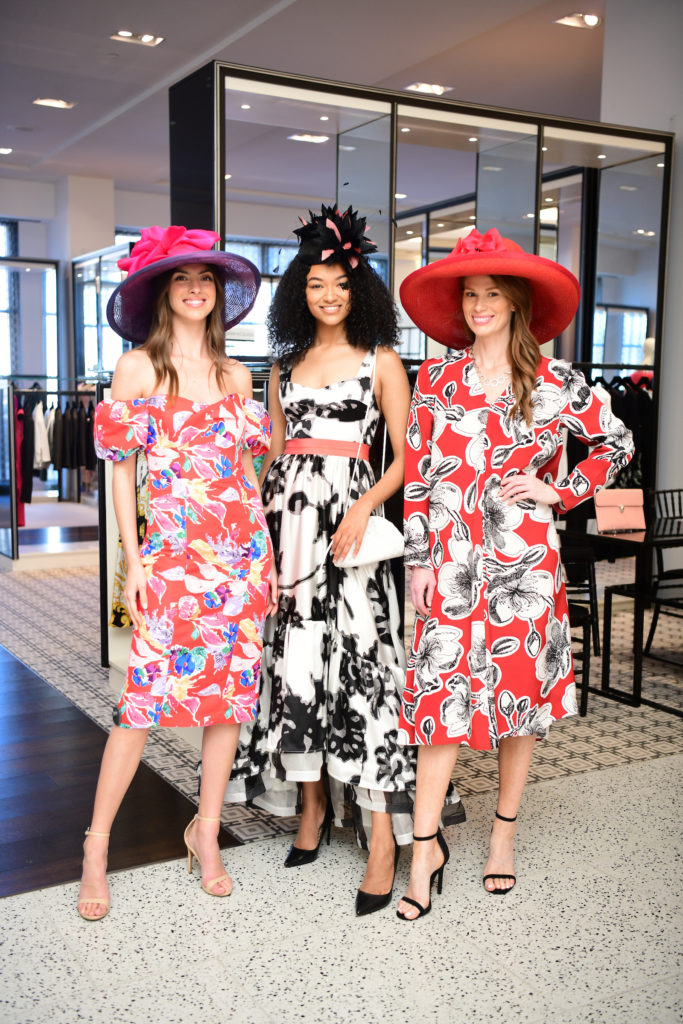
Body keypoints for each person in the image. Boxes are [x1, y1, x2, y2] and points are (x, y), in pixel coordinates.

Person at [227, 205, 463, 916]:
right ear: (298, 291)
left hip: (352, 523)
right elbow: (269, 453)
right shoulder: (281, 366)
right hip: (287, 524)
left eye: (339, 284)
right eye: (314, 284)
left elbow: (407, 457)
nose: (327, 295)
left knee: (363, 670)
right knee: (296, 665)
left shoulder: (382, 361)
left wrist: (363, 507)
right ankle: (310, 810)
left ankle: (385, 839)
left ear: (359, 292)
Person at [395, 227, 634, 920]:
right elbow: (418, 475)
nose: (477, 306)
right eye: (469, 295)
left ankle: (502, 838)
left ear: (516, 304)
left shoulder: (555, 382)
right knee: (437, 710)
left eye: (490, 294)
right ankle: (423, 851)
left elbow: (615, 442)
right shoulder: (435, 378)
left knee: (517, 708)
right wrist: (417, 560)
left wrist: (558, 491)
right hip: (448, 560)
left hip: (524, 562)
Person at [77, 225, 276, 920]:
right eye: (182, 279)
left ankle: (206, 830)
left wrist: (264, 559)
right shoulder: (137, 368)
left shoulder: (235, 375)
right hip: (170, 559)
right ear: (164, 292)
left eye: (207, 279)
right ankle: (95, 846)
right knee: (140, 707)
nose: (196, 289)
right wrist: (133, 564)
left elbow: (247, 477)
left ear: (219, 294)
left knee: (229, 704)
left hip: (239, 555)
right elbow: (121, 476)